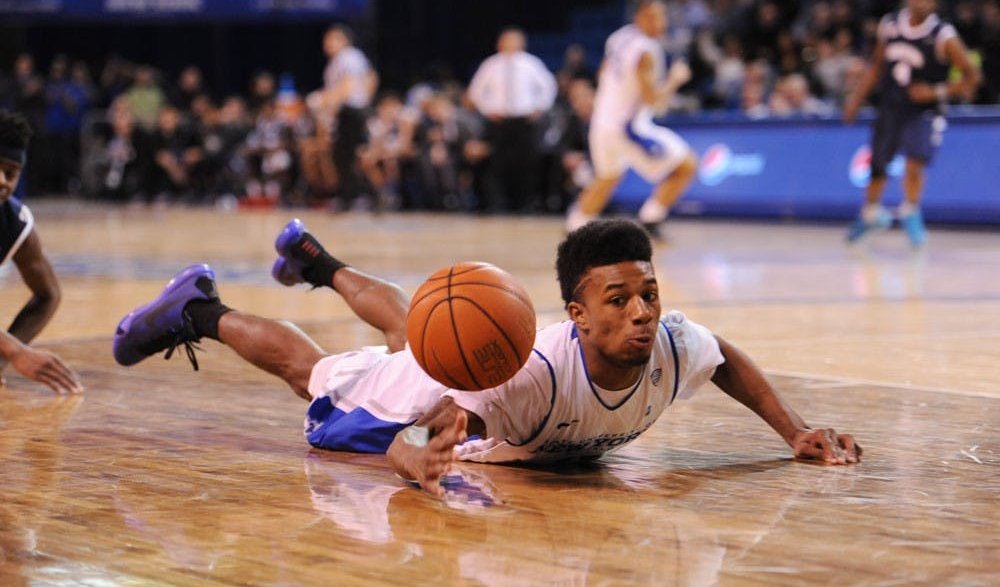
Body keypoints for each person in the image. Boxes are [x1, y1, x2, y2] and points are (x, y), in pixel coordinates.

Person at [113, 217, 859, 497]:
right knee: (316, 375)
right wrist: (413, 459)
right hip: (428, 388)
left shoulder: (672, 342)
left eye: (649, 293)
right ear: (576, 313)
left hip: (472, 355)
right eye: (619, 300)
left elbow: (724, 356)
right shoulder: (528, 377)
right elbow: (430, 428)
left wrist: (792, 431)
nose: (641, 312)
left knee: (420, 323)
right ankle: (199, 308)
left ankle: (319, 261)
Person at [843, 0, 981, 247]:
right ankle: (871, 214)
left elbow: (972, 76)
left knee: (914, 163)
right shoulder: (891, 24)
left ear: (934, 2)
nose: (918, 0)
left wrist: (936, 91)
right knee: (878, 164)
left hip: (924, 109)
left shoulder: (943, 35)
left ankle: (911, 211)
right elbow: (875, 65)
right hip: (891, 104)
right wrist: (856, 98)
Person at [566, 0, 698, 239]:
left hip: (601, 122)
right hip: (628, 128)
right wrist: (675, 79)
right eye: (653, 16)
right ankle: (650, 219)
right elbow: (653, 101)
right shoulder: (646, 51)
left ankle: (574, 227)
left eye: (661, 16)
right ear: (639, 18)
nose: (660, 22)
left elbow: (603, 71)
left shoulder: (618, 37)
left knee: (607, 178)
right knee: (687, 165)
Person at [0, 110, 81, 394]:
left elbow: (49, 294)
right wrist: (14, 350)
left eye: (10, 173)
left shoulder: (14, 224)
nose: (2, 180)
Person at [467, 27, 558, 213]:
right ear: (499, 43)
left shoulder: (531, 64)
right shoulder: (490, 65)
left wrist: (539, 108)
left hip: (524, 121)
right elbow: (475, 92)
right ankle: (499, 203)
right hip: (499, 122)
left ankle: (525, 203)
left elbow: (549, 86)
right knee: (497, 163)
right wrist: (487, 110)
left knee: (526, 164)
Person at [315, 24, 378, 208]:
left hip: (352, 111)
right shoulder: (340, 60)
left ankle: (364, 195)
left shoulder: (348, 57)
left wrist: (322, 101)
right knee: (342, 156)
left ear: (342, 39)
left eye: (330, 39)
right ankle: (352, 196)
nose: (326, 44)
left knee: (348, 156)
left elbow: (347, 87)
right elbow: (372, 76)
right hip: (349, 111)